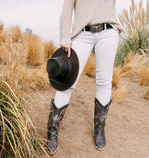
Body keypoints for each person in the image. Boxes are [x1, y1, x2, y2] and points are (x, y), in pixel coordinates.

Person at [46, 0, 122, 155]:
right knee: (67, 81)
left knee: (104, 81)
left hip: (108, 32)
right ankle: (52, 128)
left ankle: (99, 127)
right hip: (82, 34)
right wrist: (66, 38)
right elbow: (67, 9)